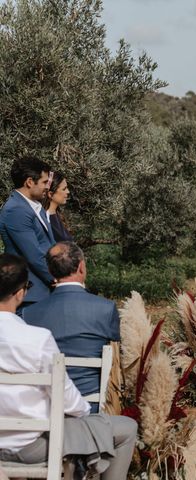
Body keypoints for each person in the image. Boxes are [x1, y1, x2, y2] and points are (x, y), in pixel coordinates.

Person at [0, 253, 136, 479]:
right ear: (21, 292)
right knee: (126, 428)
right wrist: (84, 413)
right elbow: (70, 402)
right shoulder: (37, 339)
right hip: (31, 447)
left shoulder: (33, 323)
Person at [22, 242, 120, 412]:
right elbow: (118, 359)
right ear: (81, 267)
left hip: (45, 407)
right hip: (92, 407)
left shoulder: (29, 314)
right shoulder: (106, 308)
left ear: (51, 271)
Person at [0, 157, 55, 307]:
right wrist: (59, 279)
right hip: (30, 294)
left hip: (43, 292)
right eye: (44, 182)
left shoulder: (35, 207)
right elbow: (34, 255)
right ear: (30, 182)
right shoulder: (16, 210)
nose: (47, 187)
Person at [43, 170, 73, 242]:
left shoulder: (58, 214)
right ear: (50, 194)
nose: (68, 191)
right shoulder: (45, 220)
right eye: (64, 189)